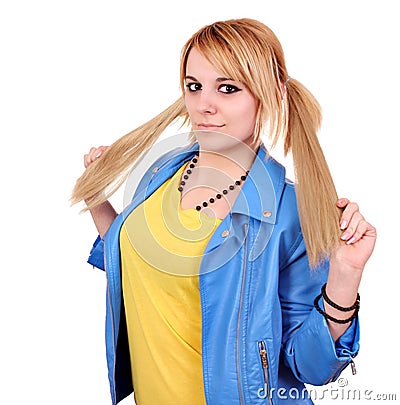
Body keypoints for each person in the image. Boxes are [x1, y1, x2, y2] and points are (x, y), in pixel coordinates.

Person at [71, 18, 376, 405]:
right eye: (194, 86)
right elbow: (134, 255)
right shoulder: (162, 173)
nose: (204, 105)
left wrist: (346, 276)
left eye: (228, 88)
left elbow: (311, 367)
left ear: (268, 94)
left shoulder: (291, 213)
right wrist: (97, 197)